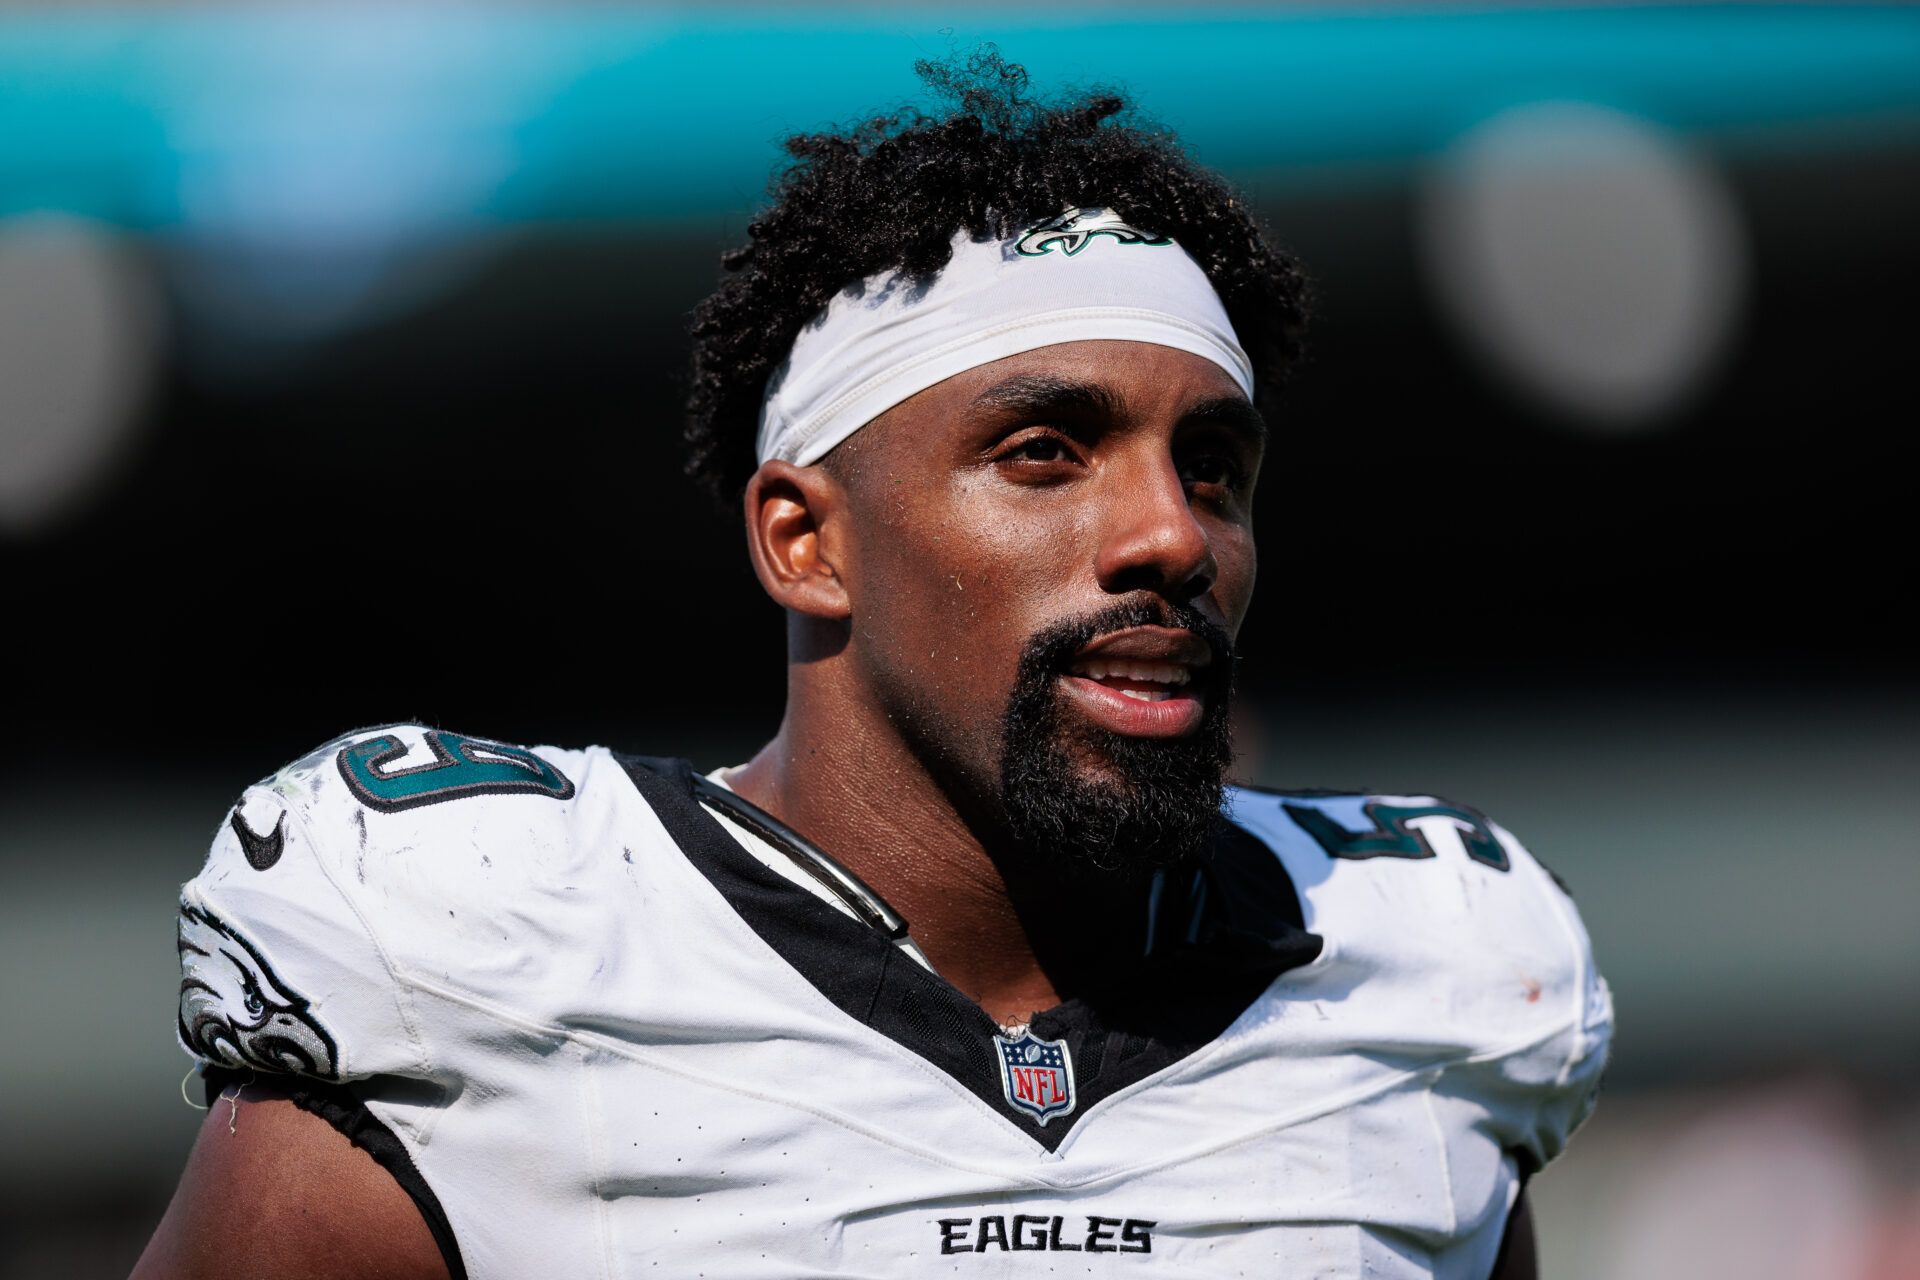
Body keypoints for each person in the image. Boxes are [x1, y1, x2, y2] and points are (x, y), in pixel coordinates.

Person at [136, 54, 1610, 1280]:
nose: (1170, 532)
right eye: (1046, 453)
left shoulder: (1430, 980)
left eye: (1213, 467)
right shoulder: (478, 950)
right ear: (805, 542)